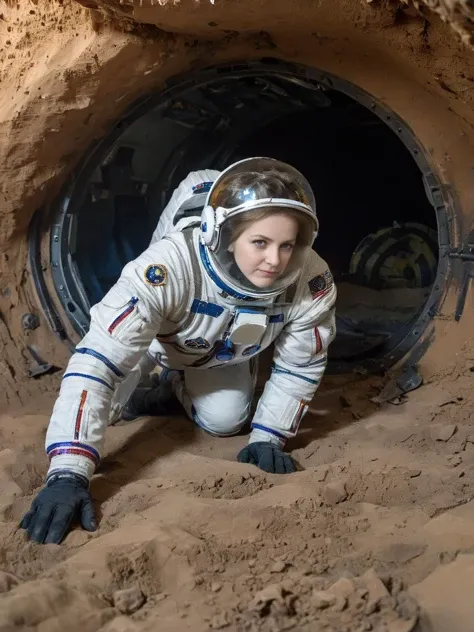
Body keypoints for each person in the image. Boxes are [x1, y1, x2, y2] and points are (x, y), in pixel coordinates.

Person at [20, 157, 337, 544]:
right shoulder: (165, 269)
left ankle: (171, 388)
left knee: (226, 421)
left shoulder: (311, 278)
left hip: (220, 352)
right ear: (227, 235)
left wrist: (268, 437)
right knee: (113, 399)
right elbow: (97, 363)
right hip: (155, 338)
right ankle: (152, 377)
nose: (275, 260)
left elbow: (300, 364)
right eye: (260, 242)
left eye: (287, 245)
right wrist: (68, 471)